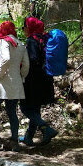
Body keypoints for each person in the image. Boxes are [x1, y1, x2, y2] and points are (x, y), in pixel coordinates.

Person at [0, 21, 30, 152]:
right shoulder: (20, 44)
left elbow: (6, 58)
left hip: (3, 82)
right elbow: (26, 65)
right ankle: (15, 142)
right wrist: (22, 76)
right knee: (12, 112)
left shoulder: (4, 41)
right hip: (16, 82)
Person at [19, 17, 58, 146]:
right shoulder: (45, 38)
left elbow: (33, 59)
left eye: (24, 26)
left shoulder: (31, 40)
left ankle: (46, 128)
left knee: (25, 107)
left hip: (34, 80)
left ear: (29, 27)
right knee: (35, 108)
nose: (23, 29)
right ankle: (28, 137)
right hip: (46, 77)